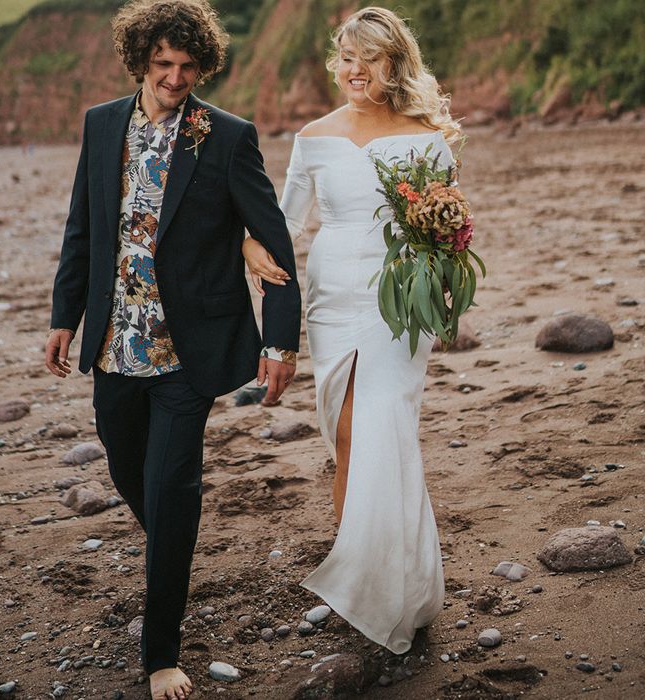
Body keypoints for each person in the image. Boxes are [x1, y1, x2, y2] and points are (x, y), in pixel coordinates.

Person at [45, 1, 301, 698]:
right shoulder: (102, 125)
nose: (176, 77)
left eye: (189, 67)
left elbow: (272, 244)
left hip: (187, 352)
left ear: (204, 65)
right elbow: (83, 226)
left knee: (171, 487)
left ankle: (161, 654)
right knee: (137, 479)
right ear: (139, 62)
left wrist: (281, 339)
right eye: (163, 65)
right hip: (113, 347)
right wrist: (64, 314)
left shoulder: (226, 135)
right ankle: (174, 541)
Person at [241, 7, 461, 654]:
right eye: (346, 58)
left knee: (383, 424)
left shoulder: (428, 140)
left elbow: (448, 231)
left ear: (394, 64)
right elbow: (286, 223)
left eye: (370, 58)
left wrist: (441, 282)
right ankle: (368, 580)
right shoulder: (313, 137)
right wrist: (250, 247)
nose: (356, 70)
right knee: (344, 431)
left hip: (399, 298)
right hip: (332, 297)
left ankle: (374, 587)